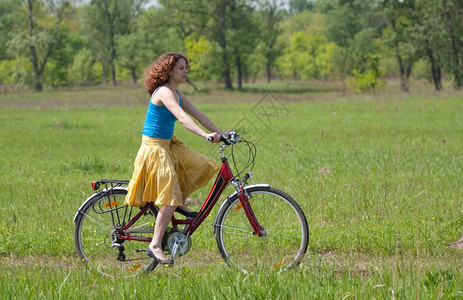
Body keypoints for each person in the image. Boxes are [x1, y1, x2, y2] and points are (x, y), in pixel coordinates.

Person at [124, 53, 229, 266]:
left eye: (186, 67)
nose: (185, 71)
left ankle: (177, 202)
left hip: (168, 143)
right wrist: (205, 135)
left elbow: (198, 114)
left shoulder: (177, 93)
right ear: (169, 71)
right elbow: (182, 118)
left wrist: (221, 133)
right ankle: (155, 245)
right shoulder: (163, 92)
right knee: (169, 197)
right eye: (181, 68)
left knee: (203, 165)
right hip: (154, 148)